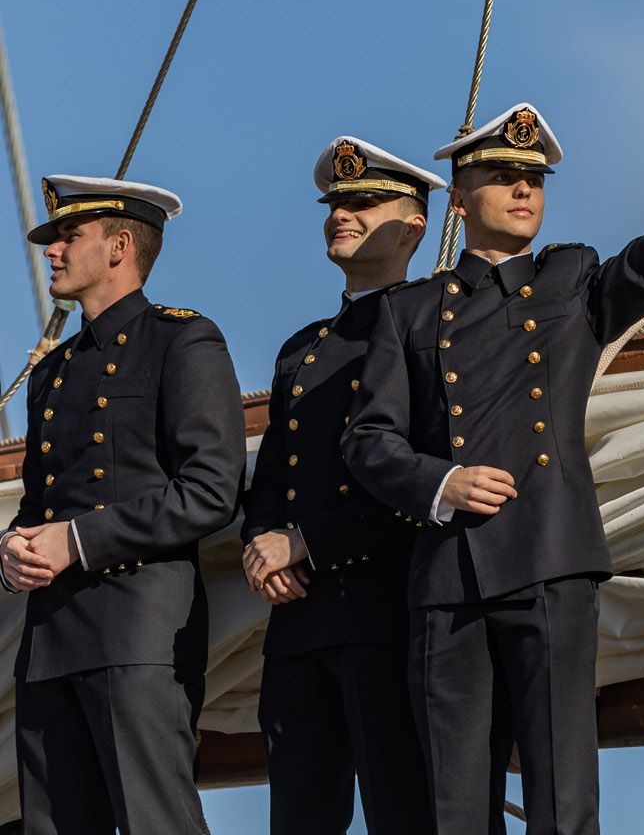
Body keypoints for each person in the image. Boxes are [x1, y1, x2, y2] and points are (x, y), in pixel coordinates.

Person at [343, 31, 644, 833]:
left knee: (561, 794)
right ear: (459, 199)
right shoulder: (407, 313)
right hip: (448, 580)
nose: (523, 189)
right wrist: (442, 483)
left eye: (534, 178)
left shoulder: (570, 279)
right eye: (502, 176)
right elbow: (369, 441)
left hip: (549, 558)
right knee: (451, 809)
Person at [1, 175, 243, 834]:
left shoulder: (182, 342)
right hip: (50, 639)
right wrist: (14, 548)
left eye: (67, 238)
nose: (50, 252)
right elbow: (41, 503)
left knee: (151, 823)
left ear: (119, 246)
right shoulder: (52, 373)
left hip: (138, 630)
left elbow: (211, 490)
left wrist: (76, 541)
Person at [239, 138, 446, 834]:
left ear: (413, 226)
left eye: (362, 203)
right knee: (298, 818)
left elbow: (426, 485)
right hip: (299, 629)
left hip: (389, 620)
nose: (340, 216)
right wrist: (260, 549)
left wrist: (303, 544)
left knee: (407, 814)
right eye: (335, 204)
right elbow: (271, 481)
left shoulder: (437, 332)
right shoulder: (304, 349)